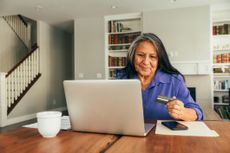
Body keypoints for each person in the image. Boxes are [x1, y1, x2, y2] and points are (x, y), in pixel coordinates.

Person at [116, 33, 203, 121]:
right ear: (132, 56)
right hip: (128, 133)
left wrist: (182, 112)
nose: (146, 62)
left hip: (163, 134)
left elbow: (197, 113)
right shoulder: (121, 78)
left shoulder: (174, 80)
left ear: (159, 60)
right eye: (141, 55)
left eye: (153, 57)